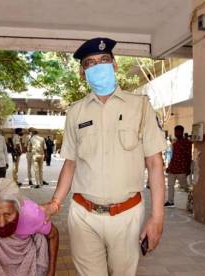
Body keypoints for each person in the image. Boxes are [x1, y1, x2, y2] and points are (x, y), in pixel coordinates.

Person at [41, 37, 167, 276]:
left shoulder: (140, 106)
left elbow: (154, 162)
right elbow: (70, 163)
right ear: (82, 72)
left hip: (127, 215)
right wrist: (55, 202)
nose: (98, 67)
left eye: (104, 60)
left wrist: (157, 218)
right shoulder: (76, 111)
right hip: (83, 215)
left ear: (115, 65)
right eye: (90, 63)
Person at [164, 125, 192, 208]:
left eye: (178, 131)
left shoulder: (187, 143)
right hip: (172, 169)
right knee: (170, 185)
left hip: (181, 169)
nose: (176, 133)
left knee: (185, 187)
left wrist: (188, 168)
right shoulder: (175, 143)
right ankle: (170, 201)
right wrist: (169, 167)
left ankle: (193, 198)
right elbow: (173, 156)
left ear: (182, 132)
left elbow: (188, 156)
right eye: (175, 131)